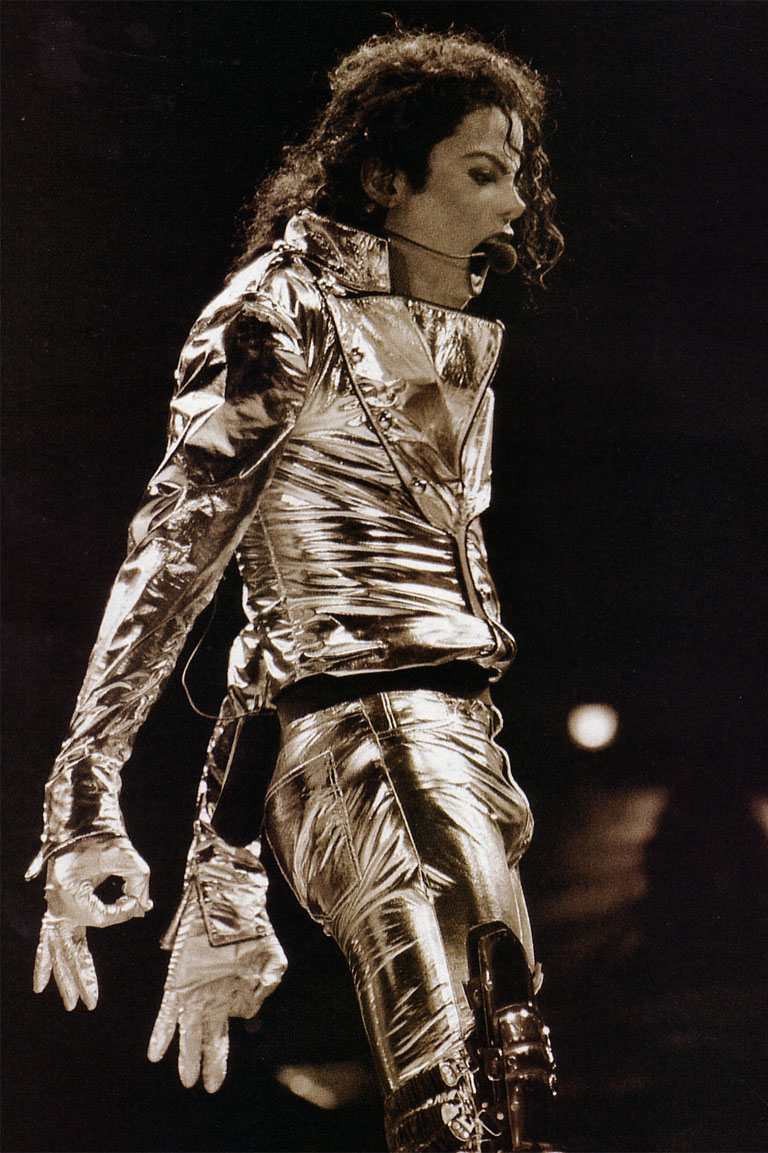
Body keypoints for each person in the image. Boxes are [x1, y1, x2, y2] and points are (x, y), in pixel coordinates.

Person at [26, 27, 564, 1153]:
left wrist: (223, 861)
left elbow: (284, 623)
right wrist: (84, 794)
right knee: (471, 1099)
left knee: (502, 1090)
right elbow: (175, 556)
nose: (514, 202)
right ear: (384, 177)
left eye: (516, 172)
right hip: (383, 751)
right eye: (482, 171)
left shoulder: (433, 332)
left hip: (449, 739)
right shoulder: (280, 312)